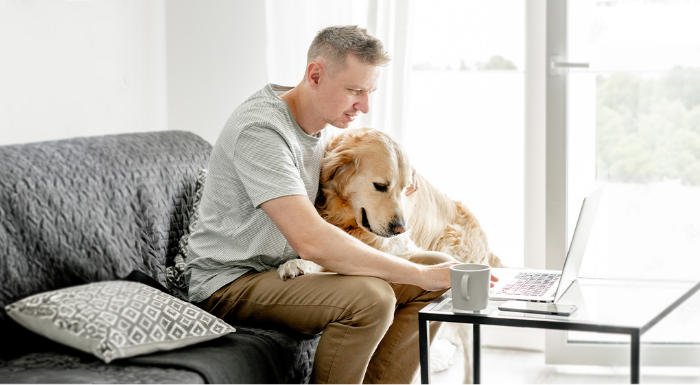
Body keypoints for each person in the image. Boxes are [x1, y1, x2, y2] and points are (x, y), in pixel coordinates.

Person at [185, 25, 488, 384]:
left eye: (370, 91)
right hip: (230, 282)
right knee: (372, 298)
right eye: (354, 90)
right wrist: (416, 274)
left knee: (442, 271)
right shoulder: (261, 131)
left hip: (281, 272)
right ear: (315, 75)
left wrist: (397, 179)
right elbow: (311, 241)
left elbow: (357, 175)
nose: (365, 105)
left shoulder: (322, 128)